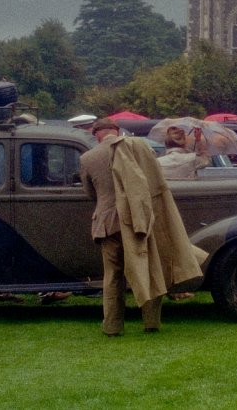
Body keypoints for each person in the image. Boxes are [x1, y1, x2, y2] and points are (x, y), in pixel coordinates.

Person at [79, 118, 206, 336]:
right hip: (140, 219)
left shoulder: (87, 158)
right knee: (150, 268)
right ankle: (151, 322)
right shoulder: (139, 147)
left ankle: (112, 325)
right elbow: (154, 178)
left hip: (108, 225)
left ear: (95, 134)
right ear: (117, 130)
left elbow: (90, 193)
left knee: (113, 276)